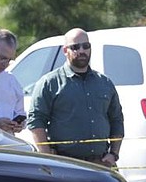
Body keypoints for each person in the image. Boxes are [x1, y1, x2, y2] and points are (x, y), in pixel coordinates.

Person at [27, 28, 123, 167]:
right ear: (65, 51)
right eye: (75, 47)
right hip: (66, 163)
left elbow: (117, 119)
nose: (82, 50)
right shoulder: (49, 82)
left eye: (86, 46)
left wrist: (113, 153)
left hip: (101, 163)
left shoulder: (104, 82)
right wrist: (47, 157)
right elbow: (36, 121)